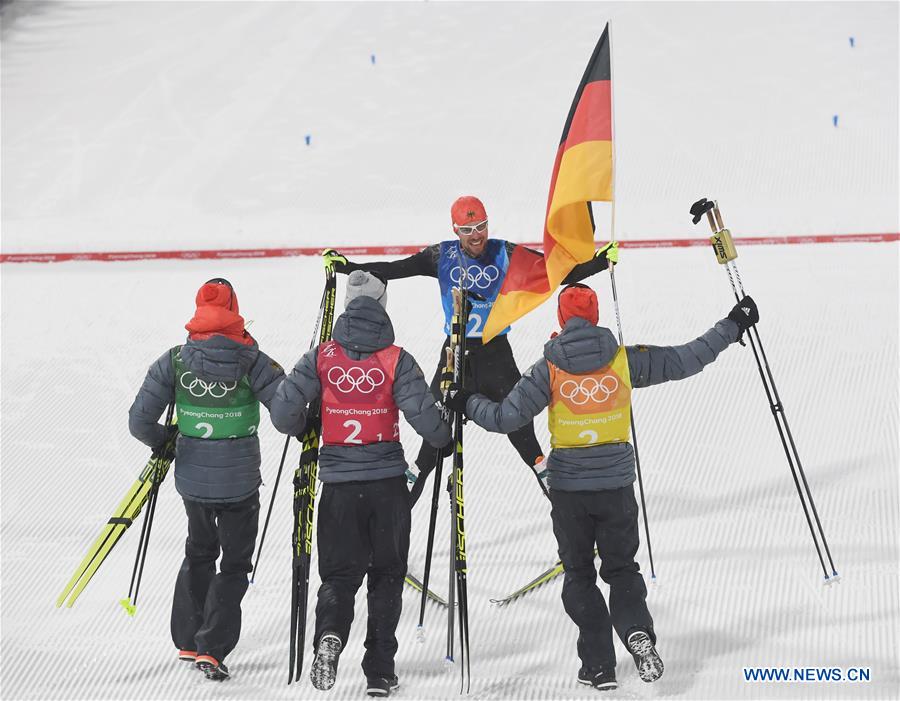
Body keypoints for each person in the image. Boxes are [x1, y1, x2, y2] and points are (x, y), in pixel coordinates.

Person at [445, 282, 760, 691]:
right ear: (595, 317)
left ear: (561, 318)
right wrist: (734, 325)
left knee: (579, 574)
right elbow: (687, 358)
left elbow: (506, 417)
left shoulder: (549, 369)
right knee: (622, 569)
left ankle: (598, 666)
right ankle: (636, 632)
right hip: (616, 488)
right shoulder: (625, 361)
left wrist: (466, 401)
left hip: (569, 492)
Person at [322, 195, 618, 503]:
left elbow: (556, 273)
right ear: (455, 230)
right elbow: (395, 268)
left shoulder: (505, 252)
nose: (476, 235)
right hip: (454, 356)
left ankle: (570, 521)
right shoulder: (441, 255)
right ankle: (395, 524)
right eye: (467, 229)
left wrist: (599, 262)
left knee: (523, 435)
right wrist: (349, 267)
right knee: (432, 438)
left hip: (495, 355)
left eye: (481, 226)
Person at [270, 270, 452, 698]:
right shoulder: (397, 359)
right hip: (388, 484)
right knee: (387, 575)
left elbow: (281, 415)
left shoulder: (320, 357)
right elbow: (431, 427)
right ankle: (380, 671)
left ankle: (330, 635)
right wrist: (445, 424)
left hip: (338, 484)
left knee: (337, 576)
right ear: (382, 306)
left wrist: (306, 423)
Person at [127, 278, 286, 681]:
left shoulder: (176, 359)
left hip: (193, 480)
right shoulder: (253, 359)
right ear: (234, 308)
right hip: (241, 483)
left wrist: (167, 442)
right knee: (233, 563)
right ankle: (212, 648)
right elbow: (286, 415)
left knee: (199, 551)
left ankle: (186, 638)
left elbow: (139, 420)